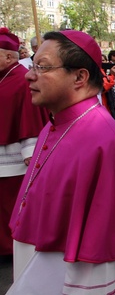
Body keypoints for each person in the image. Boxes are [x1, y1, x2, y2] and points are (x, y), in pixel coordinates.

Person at [8, 30, 115, 294]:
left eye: (43, 67)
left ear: (80, 77)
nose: (28, 74)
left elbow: (105, 254)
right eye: (33, 64)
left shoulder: (104, 142)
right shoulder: (54, 124)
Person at [0, 28, 47, 258]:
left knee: (10, 205)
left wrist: (30, 152)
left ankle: (12, 248)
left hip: (14, 157)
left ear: (9, 56)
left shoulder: (21, 78)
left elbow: (30, 117)